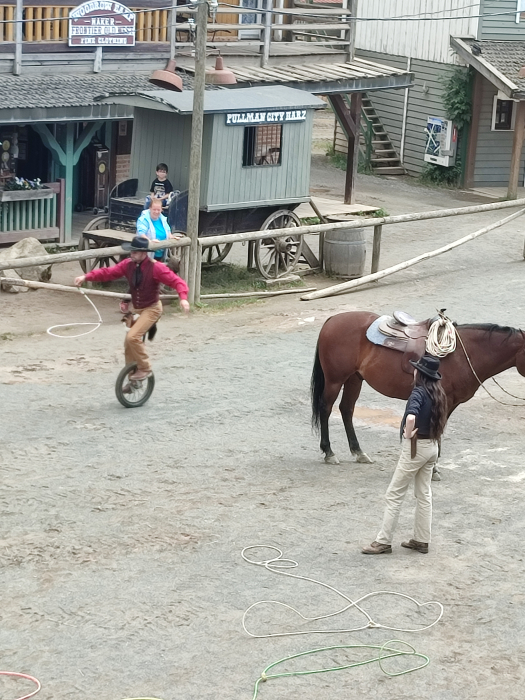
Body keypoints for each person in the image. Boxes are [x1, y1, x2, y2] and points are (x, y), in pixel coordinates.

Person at [361, 354, 448, 556]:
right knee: (424, 494)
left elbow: (410, 417)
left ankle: (383, 541)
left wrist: (408, 433)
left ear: (420, 373)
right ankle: (421, 540)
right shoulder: (439, 393)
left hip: (416, 448)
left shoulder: (418, 392)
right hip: (432, 447)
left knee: (394, 494)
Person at [74, 236, 189, 382]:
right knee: (128, 344)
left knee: (132, 337)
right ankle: (133, 379)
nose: (131, 254)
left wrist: (183, 298)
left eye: (135, 252)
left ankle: (145, 367)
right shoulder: (128, 265)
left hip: (152, 309)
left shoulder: (156, 268)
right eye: (131, 251)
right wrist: (86, 277)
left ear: (143, 253)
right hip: (136, 308)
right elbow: (108, 272)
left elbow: (177, 281)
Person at [136, 198, 175, 262]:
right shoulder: (143, 219)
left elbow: (168, 230)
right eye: (154, 209)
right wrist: (150, 241)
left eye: (158, 210)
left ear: (161, 209)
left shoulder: (163, 219)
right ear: (150, 208)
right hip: (146, 255)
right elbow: (141, 233)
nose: (156, 212)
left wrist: (172, 237)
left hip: (161, 254)